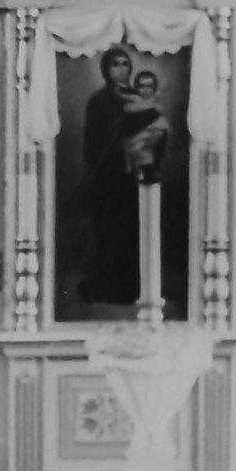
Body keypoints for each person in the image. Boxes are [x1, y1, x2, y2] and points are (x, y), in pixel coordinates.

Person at [74, 47, 141, 305]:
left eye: (125, 64)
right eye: (116, 65)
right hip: (106, 178)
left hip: (132, 177)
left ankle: (130, 287)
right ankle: (104, 286)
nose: (121, 70)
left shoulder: (137, 97)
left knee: (130, 232)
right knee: (106, 232)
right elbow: (90, 144)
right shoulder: (99, 101)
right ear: (106, 70)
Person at [117, 70, 170, 183]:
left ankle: (149, 174)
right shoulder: (133, 103)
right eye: (142, 86)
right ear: (137, 88)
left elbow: (161, 131)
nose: (145, 90)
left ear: (154, 88)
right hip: (134, 147)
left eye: (149, 86)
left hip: (150, 148)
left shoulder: (155, 106)